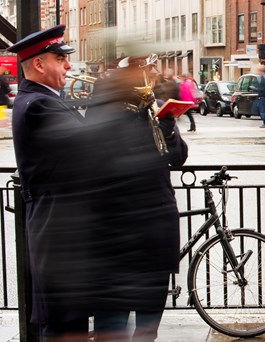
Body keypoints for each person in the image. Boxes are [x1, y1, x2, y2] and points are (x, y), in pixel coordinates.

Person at [8, 24, 122, 341]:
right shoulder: (38, 105)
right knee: (63, 327)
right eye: (61, 58)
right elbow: (90, 148)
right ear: (40, 63)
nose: (69, 65)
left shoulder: (47, 100)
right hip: (60, 237)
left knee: (70, 325)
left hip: (67, 236)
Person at [85, 54, 189, 342]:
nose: (153, 75)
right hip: (117, 223)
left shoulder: (152, 106)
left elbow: (178, 158)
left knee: (150, 308)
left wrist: (168, 129)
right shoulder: (103, 106)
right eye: (147, 71)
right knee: (113, 314)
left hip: (156, 222)